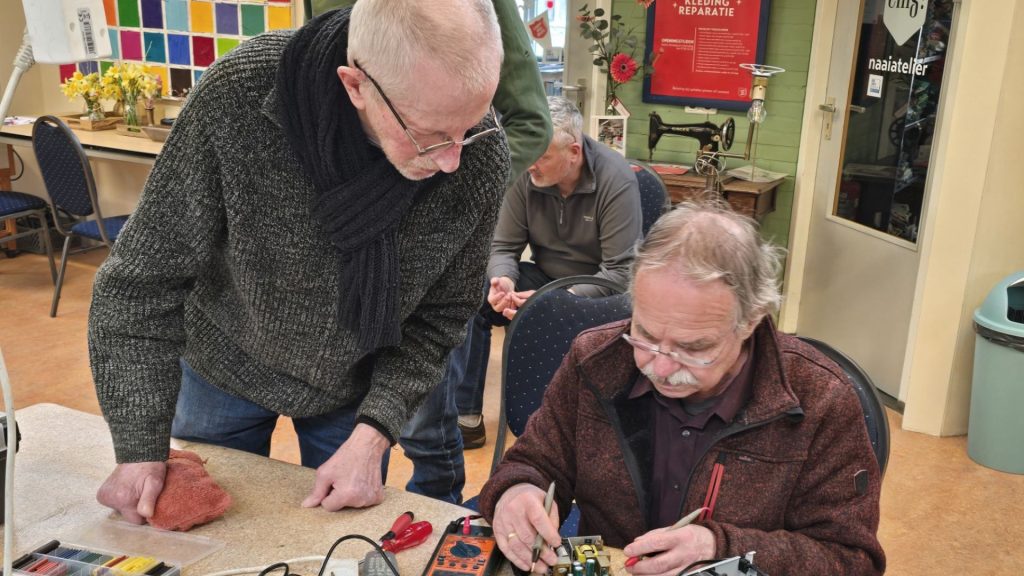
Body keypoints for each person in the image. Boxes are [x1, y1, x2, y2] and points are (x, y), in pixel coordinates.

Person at [89, 0, 510, 523]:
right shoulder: (239, 96)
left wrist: (375, 431)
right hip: (224, 359)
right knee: (199, 538)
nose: (453, 160)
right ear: (355, 85)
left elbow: (441, 317)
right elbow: (139, 286)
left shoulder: (478, 152)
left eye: (470, 126)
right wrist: (138, 449)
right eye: (429, 135)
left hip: (356, 380)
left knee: (334, 542)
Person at [479, 203, 886, 575]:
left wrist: (719, 547)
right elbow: (535, 461)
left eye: (694, 349)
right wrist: (517, 491)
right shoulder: (596, 359)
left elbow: (851, 560)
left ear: (750, 321)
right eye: (645, 334)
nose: (660, 367)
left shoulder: (822, 398)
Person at [451, 96, 643, 449]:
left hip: (601, 292)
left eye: (543, 156)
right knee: (473, 293)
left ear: (573, 152)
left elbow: (620, 274)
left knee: (554, 311)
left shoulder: (616, 179)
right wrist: (503, 280)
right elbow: (503, 246)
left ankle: (559, 429)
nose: (532, 166)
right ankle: (466, 415)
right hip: (544, 278)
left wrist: (553, 302)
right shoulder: (527, 174)